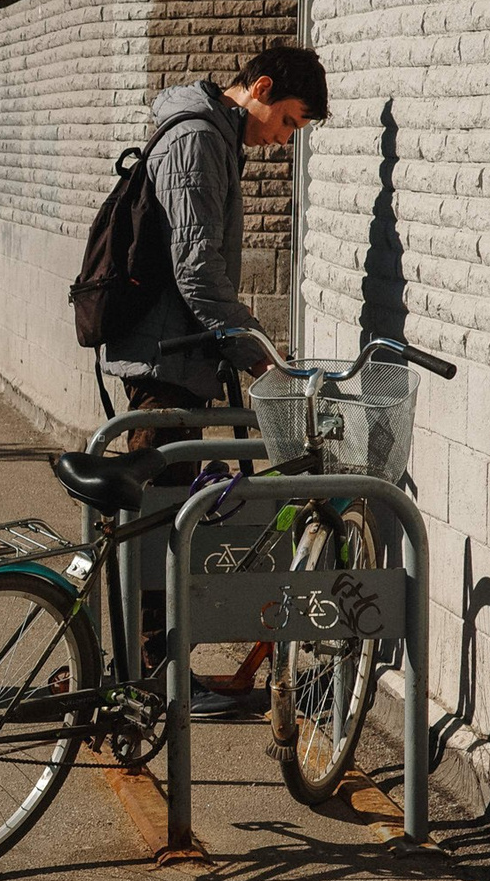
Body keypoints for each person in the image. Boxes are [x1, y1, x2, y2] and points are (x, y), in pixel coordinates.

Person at [99, 44, 327, 715]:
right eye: (288, 121)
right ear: (260, 88)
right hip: (166, 357)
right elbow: (197, 268)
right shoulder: (199, 139)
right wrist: (254, 351)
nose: (284, 139)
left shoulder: (214, 136)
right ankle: (149, 679)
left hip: (180, 353)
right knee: (155, 522)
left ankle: (151, 671)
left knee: (164, 515)